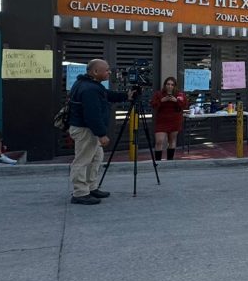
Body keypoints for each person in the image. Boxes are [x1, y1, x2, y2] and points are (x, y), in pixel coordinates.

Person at [66, 60, 136, 205]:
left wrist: (126, 96)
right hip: (86, 130)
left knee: (96, 158)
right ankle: (80, 193)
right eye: (107, 70)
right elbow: (92, 114)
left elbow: (106, 94)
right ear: (95, 72)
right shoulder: (89, 89)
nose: (109, 72)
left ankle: (91, 187)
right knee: (83, 160)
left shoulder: (90, 85)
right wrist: (101, 134)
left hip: (87, 129)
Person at [150, 76, 185, 161]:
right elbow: (153, 104)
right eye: (168, 84)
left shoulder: (179, 94)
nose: (170, 86)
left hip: (175, 120)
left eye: (172, 85)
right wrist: (162, 101)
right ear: (165, 85)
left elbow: (184, 105)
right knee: (159, 141)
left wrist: (176, 101)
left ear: (174, 86)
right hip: (162, 120)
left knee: (172, 140)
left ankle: (170, 160)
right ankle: (158, 161)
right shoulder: (159, 94)